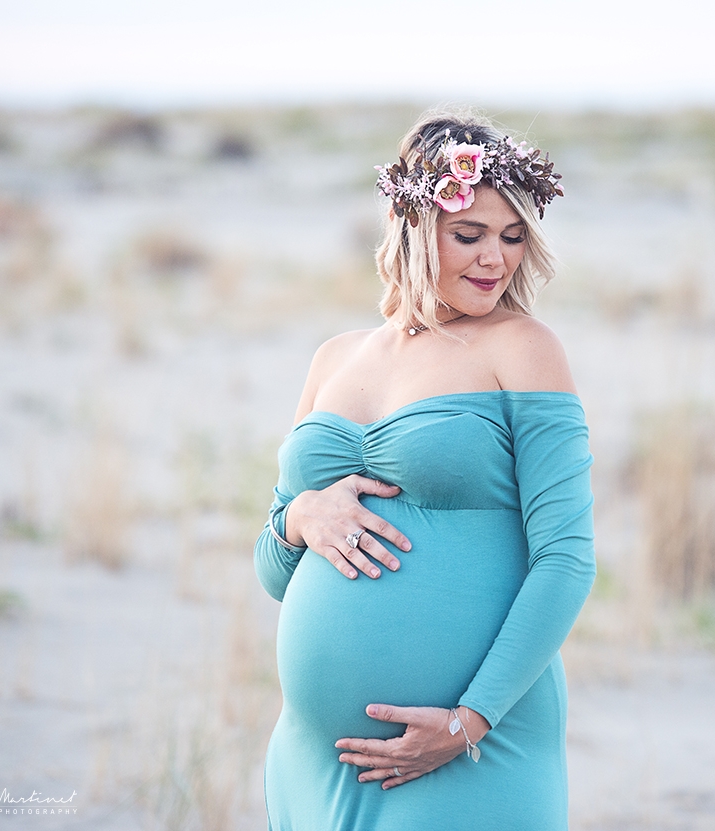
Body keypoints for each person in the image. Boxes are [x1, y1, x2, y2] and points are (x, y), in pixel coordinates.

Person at [254, 108, 596, 831]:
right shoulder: (334, 357)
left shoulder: (522, 348)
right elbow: (275, 573)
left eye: (510, 238)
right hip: (315, 761)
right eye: (467, 235)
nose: (493, 260)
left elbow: (565, 558)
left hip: (473, 747)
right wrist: (298, 517)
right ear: (411, 228)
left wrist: (467, 722)